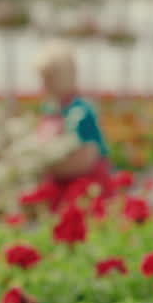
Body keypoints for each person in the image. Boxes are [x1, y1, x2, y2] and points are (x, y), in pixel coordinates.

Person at [34, 41, 113, 207]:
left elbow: (87, 158)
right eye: (43, 78)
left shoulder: (81, 110)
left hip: (83, 188)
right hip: (59, 185)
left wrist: (48, 167)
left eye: (48, 78)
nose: (44, 84)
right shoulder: (50, 108)